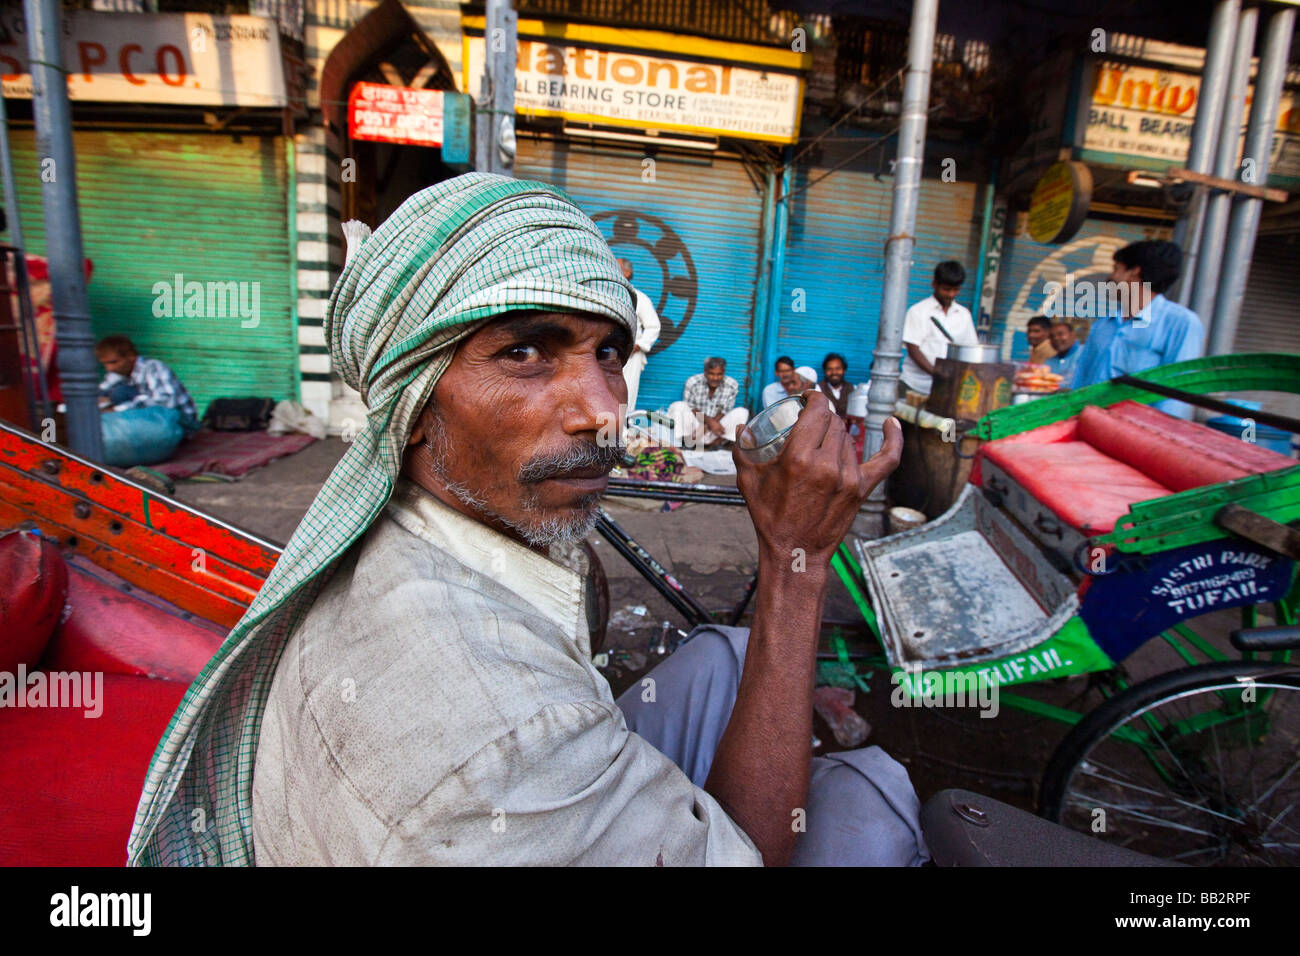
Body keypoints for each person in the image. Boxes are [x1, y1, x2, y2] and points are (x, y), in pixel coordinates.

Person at [124, 174, 925, 868]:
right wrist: (798, 555)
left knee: (723, 655)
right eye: (525, 354)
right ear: (412, 407)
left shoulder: (428, 523)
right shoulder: (500, 737)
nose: (603, 412)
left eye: (607, 353)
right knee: (871, 796)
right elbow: (751, 852)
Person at [1072, 240, 1204, 419]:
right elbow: (1080, 384)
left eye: (1116, 268)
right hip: (1087, 430)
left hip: (1138, 438)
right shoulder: (1103, 325)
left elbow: (1177, 397)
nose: (1110, 278)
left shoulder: (1180, 323)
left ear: (1134, 272)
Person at [95, 335, 199, 467]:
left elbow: (166, 402)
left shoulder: (153, 367)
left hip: (178, 422)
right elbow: (100, 392)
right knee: (113, 394)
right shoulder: (118, 373)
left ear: (131, 356)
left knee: (120, 393)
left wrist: (116, 409)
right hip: (151, 419)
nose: (109, 368)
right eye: (105, 364)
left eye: (113, 362)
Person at [901, 261, 979, 396]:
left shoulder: (964, 315)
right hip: (915, 385)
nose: (951, 294)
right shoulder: (918, 311)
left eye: (955, 290)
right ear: (934, 284)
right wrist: (937, 373)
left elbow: (970, 348)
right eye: (946, 289)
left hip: (948, 389)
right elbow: (913, 349)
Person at [669, 357, 750, 447]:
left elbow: (725, 411)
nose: (715, 378)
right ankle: (685, 442)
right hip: (694, 428)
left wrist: (708, 426)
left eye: (719, 374)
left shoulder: (732, 385)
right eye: (711, 374)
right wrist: (709, 422)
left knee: (742, 412)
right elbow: (691, 408)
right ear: (705, 372)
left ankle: (715, 444)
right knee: (678, 406)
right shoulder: (692, 382)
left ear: (724, 372)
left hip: (716, 429)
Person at [617, 258, 660, 415]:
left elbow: (654, 326)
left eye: (616, 266)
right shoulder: (606, 293)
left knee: (626, 391)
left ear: (627, 273)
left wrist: (638, 345)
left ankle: (621, 433)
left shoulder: (640, 298)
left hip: (631, 355)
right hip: (608, 353)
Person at [1045, 321, 1081, 389]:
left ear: (1073, 335)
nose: (1056, 338)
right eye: (1052, 337)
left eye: (1060, 334)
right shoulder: (1049, 363)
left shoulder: (1084, 354)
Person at [817, 353, 853, 417]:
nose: (834, 372)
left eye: (838, 368)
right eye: (829, 369)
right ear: (825, 371)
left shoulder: (851, 389)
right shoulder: (818, 388)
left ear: (844, 370)